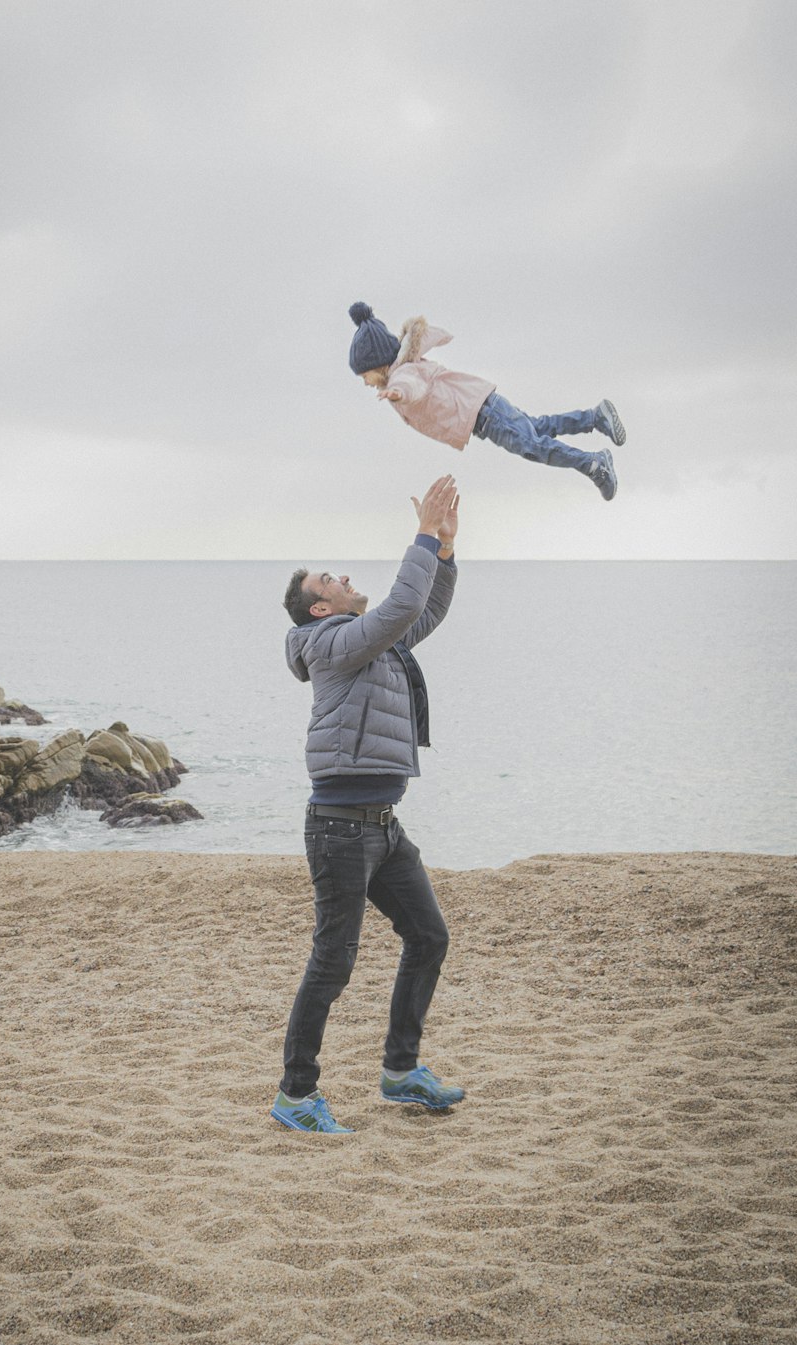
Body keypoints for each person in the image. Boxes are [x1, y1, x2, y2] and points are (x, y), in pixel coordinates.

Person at [271, 474, 466, 1135]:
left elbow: (421, 611)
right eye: (331, 578)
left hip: (383, 827)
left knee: (428, 935)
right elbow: (399, 609)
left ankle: (400, 1069)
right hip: (339, 829)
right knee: (334, 959)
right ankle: (297, 1094)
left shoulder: (372, 641)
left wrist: (441, 550)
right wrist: (420, 535)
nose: (346, 577)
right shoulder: (330, 645)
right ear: (320, 609)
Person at [348, 301, 624, 501]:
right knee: (538, 428)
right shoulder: (407, 367)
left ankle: (593, 463)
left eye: (365, 375)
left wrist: (397, 393)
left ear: (380, 365)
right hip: (485, 408)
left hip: (485, 415)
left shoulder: (402, 375)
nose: (365, 382)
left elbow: (411, 387)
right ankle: (594, 417)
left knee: (533, 446)